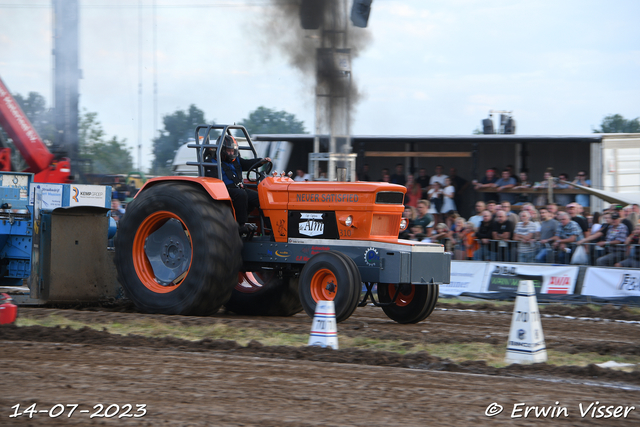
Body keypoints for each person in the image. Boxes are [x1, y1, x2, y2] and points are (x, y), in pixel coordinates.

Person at [206, 135, 271, 234]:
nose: (231, 153)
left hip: (238, 189)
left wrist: (261, 161)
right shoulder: (211, 162)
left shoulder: (237, 160)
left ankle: (271, 228)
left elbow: (248, 163)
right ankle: (241, 224)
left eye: (233, 150)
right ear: (222, 150)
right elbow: (211, 181)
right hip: (224, 191)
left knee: (260, 198)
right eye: (229, 151)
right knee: (241, 194)